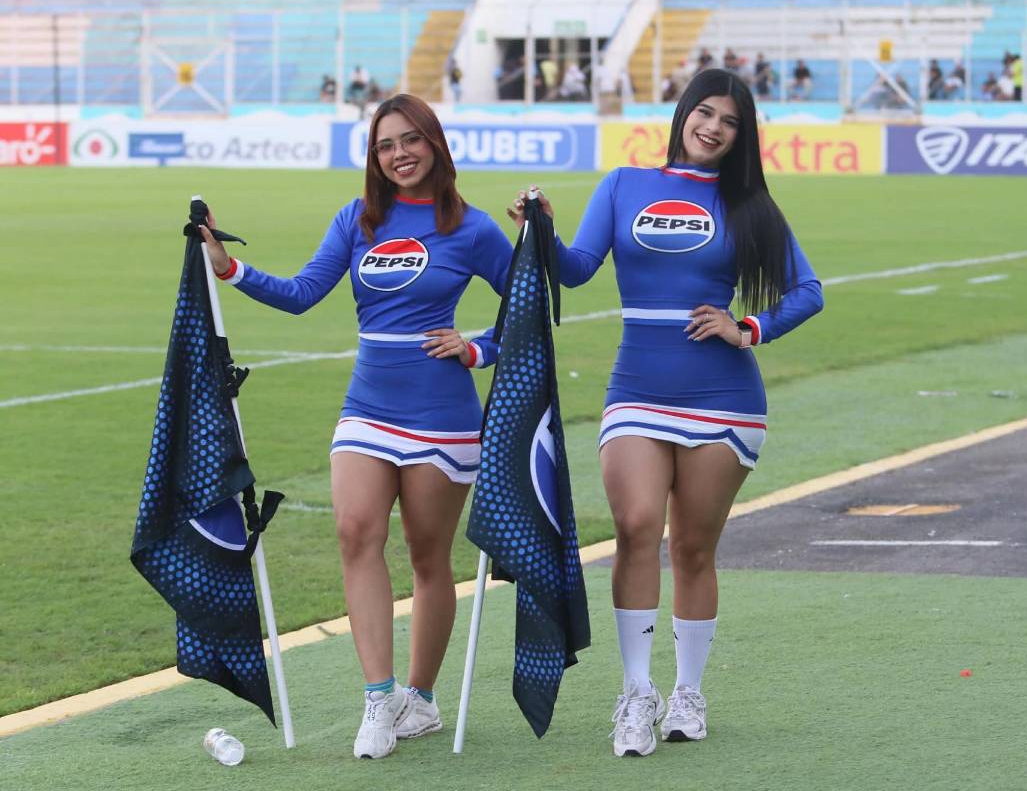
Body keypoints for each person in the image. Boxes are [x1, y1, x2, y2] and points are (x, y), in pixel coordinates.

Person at [508, 68, 823, 758]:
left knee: (693, 548)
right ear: (683, 114)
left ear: (741, 135)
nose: (711, 126)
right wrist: (542, 230)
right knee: (636, 526)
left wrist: (748, 328)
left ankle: (687, 691)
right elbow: (576, 267)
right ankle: (636, 691)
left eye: (728, 121)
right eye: (703, 112)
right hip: (637, 389)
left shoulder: (751, 206)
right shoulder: (625, 184)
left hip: (724, 400)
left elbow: (809, 292)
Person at [198, 94, 514, 760]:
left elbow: (529, 307)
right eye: (385, 144)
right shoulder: (358, 219)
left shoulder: (473, 227)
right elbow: (303, 292)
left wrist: (477, 347)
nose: (399, 154)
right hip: (368, 406)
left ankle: (420, 703)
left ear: (434, 143)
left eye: (410, 140)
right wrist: (230, 270)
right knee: (355, 533)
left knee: (430, 560)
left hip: (443, 416)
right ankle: (378, 697)